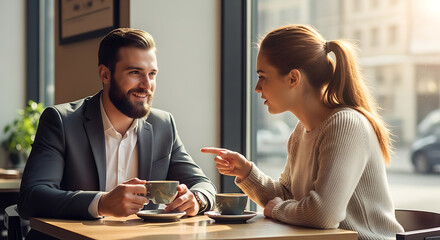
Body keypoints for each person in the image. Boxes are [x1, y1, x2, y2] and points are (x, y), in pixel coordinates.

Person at [202, 24, 403, 240]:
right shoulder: (300, 132)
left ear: (293, 78)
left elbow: (323, 214)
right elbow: (288, 197)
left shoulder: (346, 125)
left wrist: (278, 210)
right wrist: (246, 172)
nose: (257, 88)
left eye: (262, 76)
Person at [19, 28, 216, 231]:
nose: (146, 85)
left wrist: (197, 200)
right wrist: (101, 203)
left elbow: (203, 184)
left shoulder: (163, 124)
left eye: (152, 74)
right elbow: (31, 197)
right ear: (105, 74)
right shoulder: (62, 121)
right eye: (135, 72)